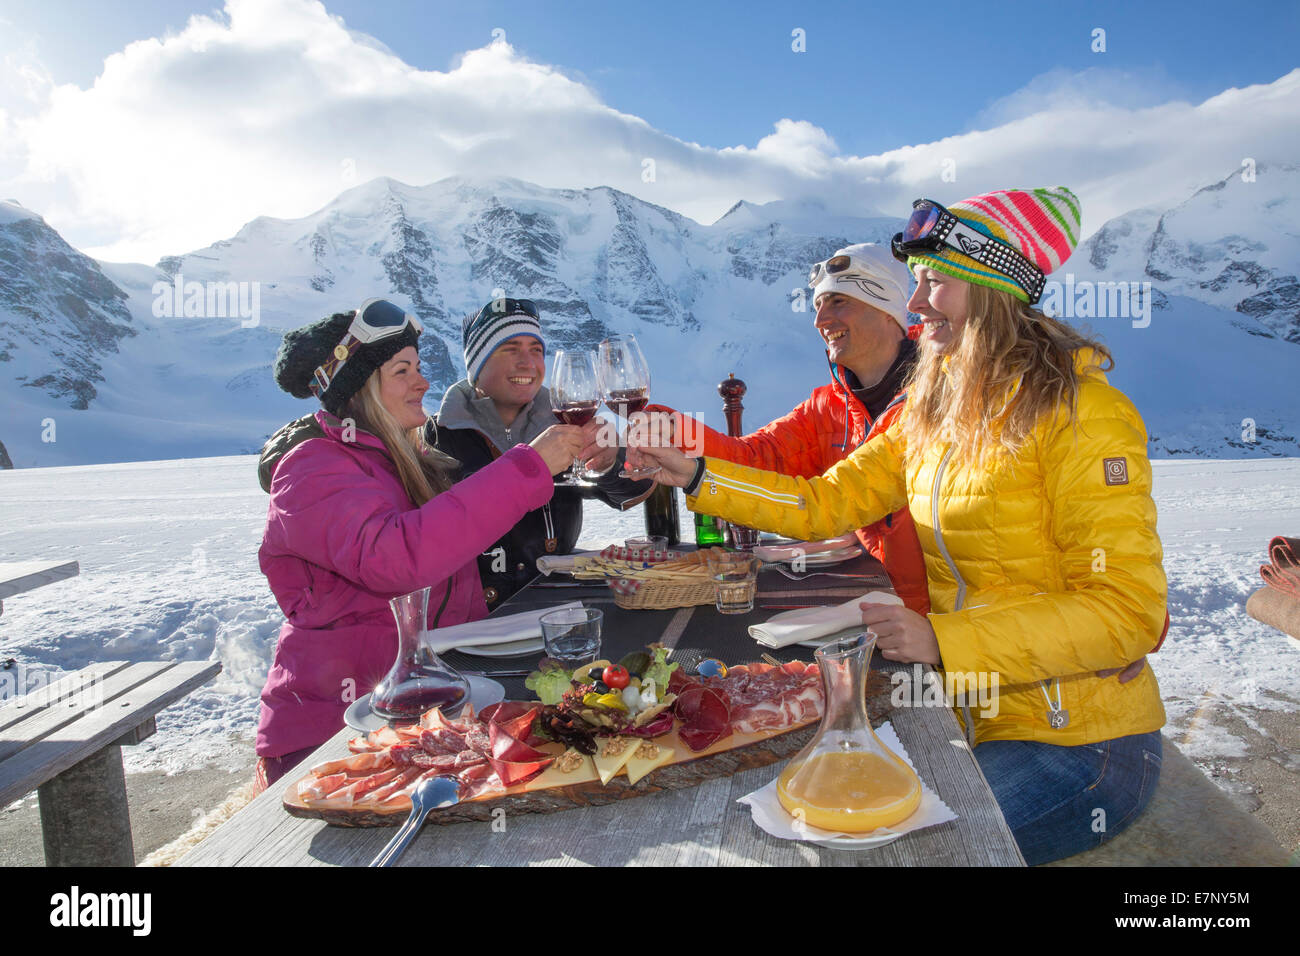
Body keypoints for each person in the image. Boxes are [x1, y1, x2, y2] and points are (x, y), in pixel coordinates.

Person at [629, 187, 1167, 864]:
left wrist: (943, 636)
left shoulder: (1082, 412)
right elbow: (823, 504)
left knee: (881, 855)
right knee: (798, 818)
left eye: (934, 284)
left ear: (993, 289)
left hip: (1080, 745)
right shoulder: (934, 408)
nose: (914, 306)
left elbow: (1129, 612)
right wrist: (698, 476)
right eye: (916, 284)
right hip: (970, 713)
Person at [254, 299, 595, 788]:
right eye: (402, 371)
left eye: (418, 367)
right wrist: (528, 468)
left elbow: (454, 537)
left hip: (422, 713)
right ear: (360, 388)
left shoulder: (404, 459)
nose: (423, 383)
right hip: (335, 734)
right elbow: (398, 560)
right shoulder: (314, 469)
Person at [646, 244, 930, 613]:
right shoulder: (827, 406)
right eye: (817, 306)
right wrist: (670, 429)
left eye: (838, 302)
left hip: (953, 618)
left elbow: (824, 505)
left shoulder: (937, 399)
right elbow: (755, 457)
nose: (820, 320)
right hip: (882, 607)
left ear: (889, 311)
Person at [425, 297, 654, 608]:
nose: (528, 363)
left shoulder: (564, 419)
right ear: (476, 366)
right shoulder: (439, 438)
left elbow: (631, 492)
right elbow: (430, 537)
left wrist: (609, 461)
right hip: (476, 615)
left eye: (536, 350)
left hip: (560, 600)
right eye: (510, 349)